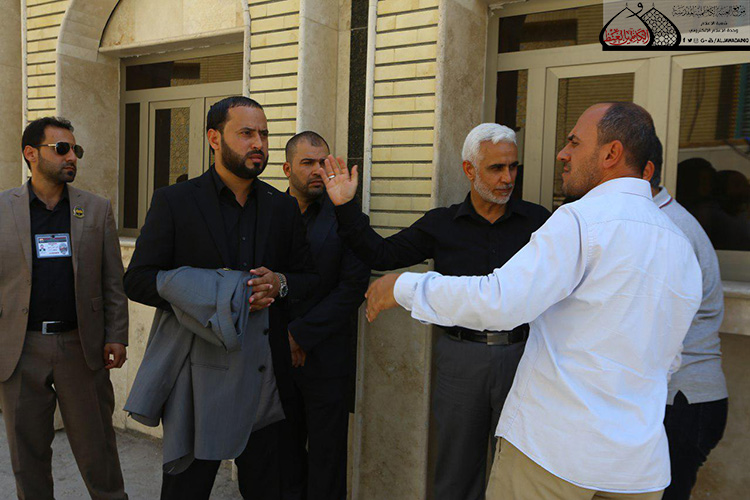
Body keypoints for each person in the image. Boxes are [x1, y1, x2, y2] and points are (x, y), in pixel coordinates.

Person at [360, 102, 703, 499]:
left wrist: (403, 287)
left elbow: (500, 302)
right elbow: (671, 358)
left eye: (574, 142)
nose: (562, 153)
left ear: (611, 153)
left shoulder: (579, 222)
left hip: (554, 455)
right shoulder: (681, 244)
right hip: (636, 469)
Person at [319, 123, 550, 499]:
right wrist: (345, 206)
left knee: (521, 472)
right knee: (456, 471)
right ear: (469, 169)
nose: (508, 178)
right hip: (460, 358)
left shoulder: (538, 222)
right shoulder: (443, 224)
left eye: (513, 167)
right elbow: (381, 254)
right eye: (496, 168)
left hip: (525, 356)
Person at [123, 96, 318, 500]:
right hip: (198, 373)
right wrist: (216, 292)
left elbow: (309, 279)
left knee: (269, 488)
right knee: (186, 489)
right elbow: (138, 280)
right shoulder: (175, 201)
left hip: (265, 374)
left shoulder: (282, 207)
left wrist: (279, 283)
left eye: (263, 134)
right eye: (246, 133)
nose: (258, 143)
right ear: (214, 138)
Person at [0, 116, 129, 499]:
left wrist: (117, 334)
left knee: (98, 451)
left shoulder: (96, 209)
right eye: (62, 149)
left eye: (76, 150)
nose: (72, 157)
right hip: (20, 350)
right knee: (27, 457)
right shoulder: (3, 209)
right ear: (31, 153)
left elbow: (112, 280)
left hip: (81, 347)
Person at [280, 131, 370, 500]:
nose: (319, 170)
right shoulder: (266, 212)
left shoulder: (348, 220)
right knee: (280, 459)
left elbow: (352, 289)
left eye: (324, 162)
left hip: (327, 361)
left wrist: (299, 335)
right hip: (272, 357)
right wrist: (282, 336)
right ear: (287, 169)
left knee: (327, 464)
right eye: (308, 163)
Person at [642, 139, 728, 500]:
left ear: (644, 172)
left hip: (683, 400)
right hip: (682, 399)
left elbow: (653, 324)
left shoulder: (666, 227)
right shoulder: (655, 220)